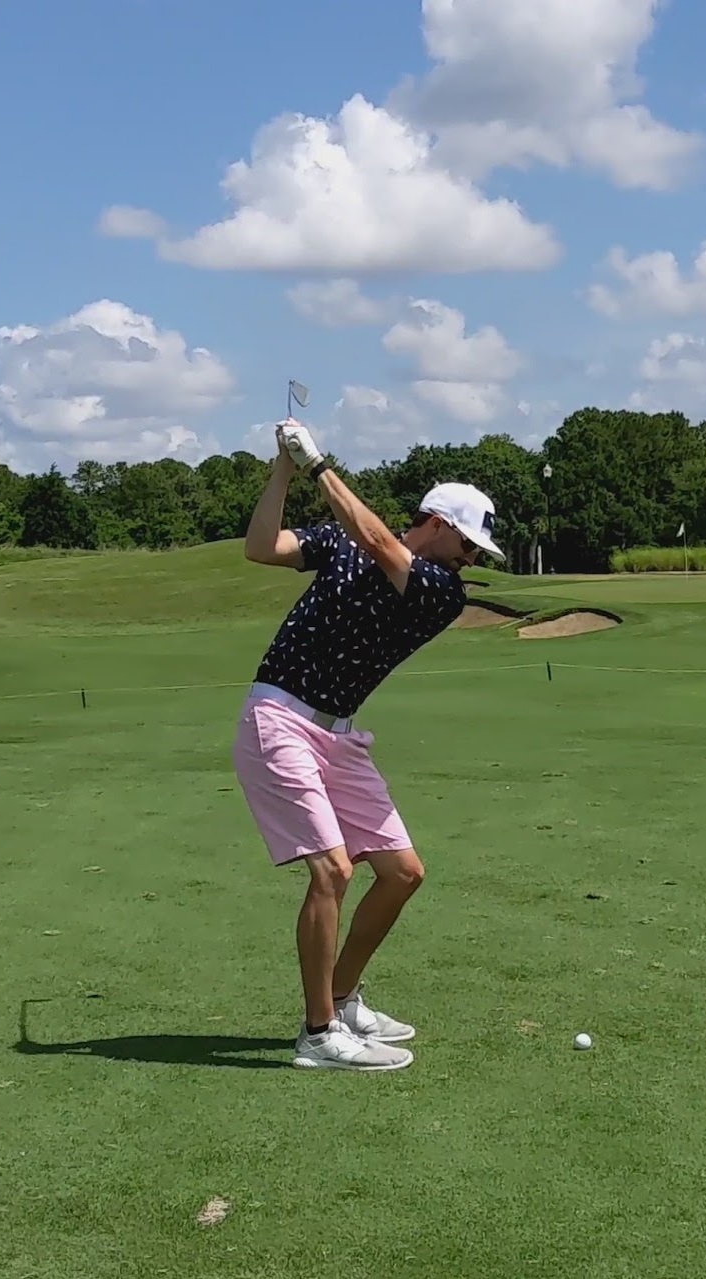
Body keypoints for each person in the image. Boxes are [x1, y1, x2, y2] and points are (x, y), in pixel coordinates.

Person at [232, 416, 502, 1071]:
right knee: (333, 869)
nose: (471, 562)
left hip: (339, 736)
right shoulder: (343, 544)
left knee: (403, 872)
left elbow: (378, 539)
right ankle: (319, 1032)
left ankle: (343, 994)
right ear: (437, 523)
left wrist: (321, 463)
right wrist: (283, 471)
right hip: (281, 717)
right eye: (467, 545)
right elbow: (262, 547)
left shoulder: (440, 590)